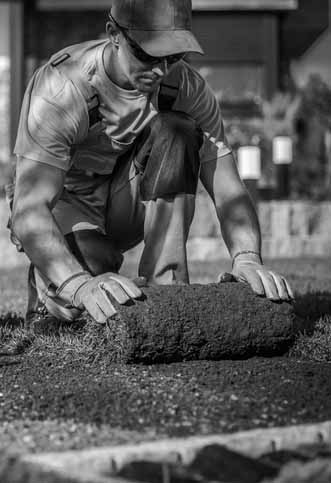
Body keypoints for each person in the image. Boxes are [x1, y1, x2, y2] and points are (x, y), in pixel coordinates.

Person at [9, 0, 294, 328]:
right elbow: (30, 209)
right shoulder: (62, 87)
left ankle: (167, 289)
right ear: (114, 34)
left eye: (174, 57)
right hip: (67, 205)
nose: (161, 70)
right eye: (147, 54)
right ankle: (48, 290)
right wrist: (77, 284)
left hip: (122, 203)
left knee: (177, 130)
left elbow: (229, 189)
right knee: (87, 279)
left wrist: (247, 258)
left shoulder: (186, 88)